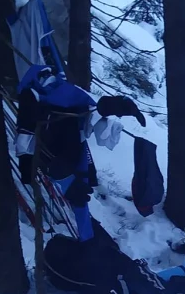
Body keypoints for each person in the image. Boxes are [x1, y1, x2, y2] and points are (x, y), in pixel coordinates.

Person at [15, 65, 145, 242]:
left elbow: (92, 109)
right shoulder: (52, 93)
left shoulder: (41, 94)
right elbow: (93, 108)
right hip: (64, 154)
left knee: (78, 196)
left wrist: (119, 106)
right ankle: (88, 239)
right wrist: (120, 105)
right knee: (78, 197)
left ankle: (88, 238)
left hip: (63, 154)